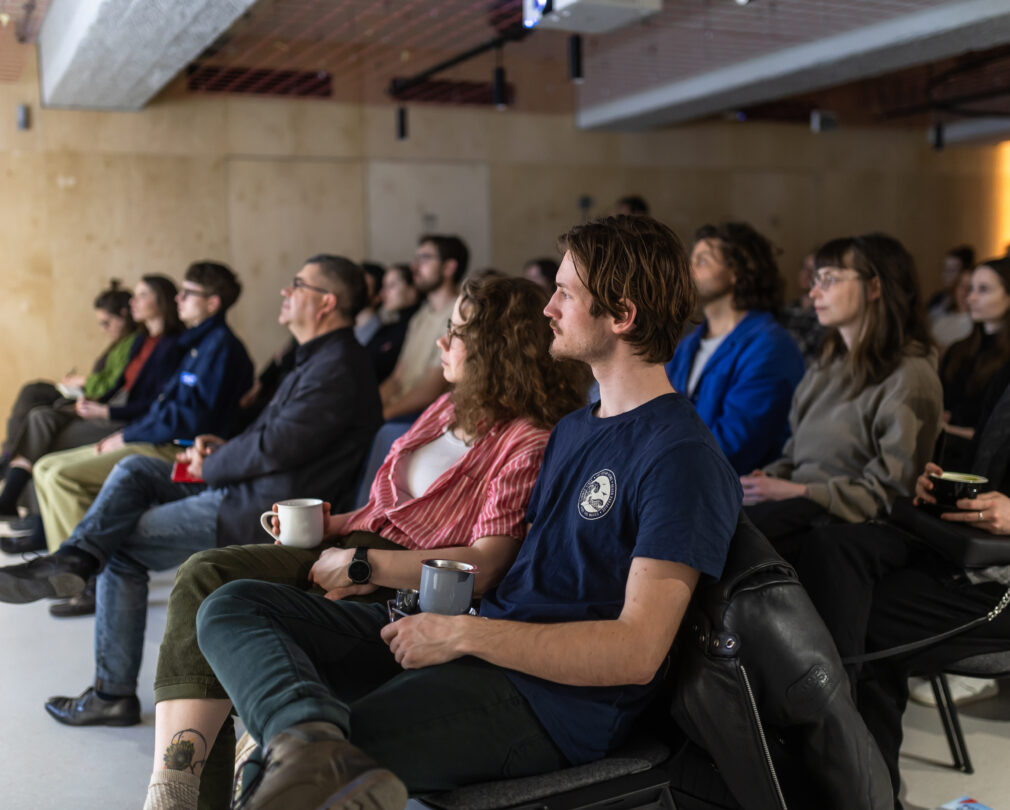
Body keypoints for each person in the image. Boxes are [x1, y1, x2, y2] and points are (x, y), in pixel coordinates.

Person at [193, 215, 742, 810]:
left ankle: (309, 748)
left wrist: (461, 632)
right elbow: (521, 570)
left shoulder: (680, 456)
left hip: (552, 705)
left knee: (300, 776)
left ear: (623, 315)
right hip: (484, 646)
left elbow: (635, 652)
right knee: (230, 605)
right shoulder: (577, 429)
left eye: (566, 293)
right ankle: (308, 736)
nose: (549, 308)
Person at [139, 272, 590, 810]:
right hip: (359, 543)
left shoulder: (526, 441)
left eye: (458, 333)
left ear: (499, 349)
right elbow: (389, 507)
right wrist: (334, 525)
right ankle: (183, 789)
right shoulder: (450, 407)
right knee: (203, 577)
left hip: (397, 577)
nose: (443, 343)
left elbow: (485, 566)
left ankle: (181, 794)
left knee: (213, 591)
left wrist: (360, 564)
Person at [0, 255, 383, 732]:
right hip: (252, 483)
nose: (285, 292)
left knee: (122, 548)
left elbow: (276, 446)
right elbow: (271, 435)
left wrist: (213, 463)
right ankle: (74, 559)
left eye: (297, 285)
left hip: (262, 506)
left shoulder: (337, 365)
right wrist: (220, 450)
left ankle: (111, 691)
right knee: (136, 467)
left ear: (326, 302)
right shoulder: (320, 356)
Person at [784, 360, 1010, 809]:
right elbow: (984, 469)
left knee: (862, 620)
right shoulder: (1002, 376)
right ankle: (849, 774)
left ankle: (846, 775)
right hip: (968, 549)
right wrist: (942, 480)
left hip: (998, 580)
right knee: (830, 551)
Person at [27, 261, 254, 552]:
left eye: (188, 293)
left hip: (176, 448)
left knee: (61, 477)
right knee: (45, 467)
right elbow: (163, 406)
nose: (178, 298)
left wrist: (127, 435)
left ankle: (83, 574)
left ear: (212, 303)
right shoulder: (199, 343)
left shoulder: (220, 347)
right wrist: (127, 433)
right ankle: (65, 568)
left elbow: (190, 420)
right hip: (155, 437)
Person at [740, 233, 942, 545]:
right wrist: (765, 481)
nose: (814, 291)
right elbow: (797, 454)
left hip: (851, 523)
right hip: (803, 507)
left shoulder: (909, 374)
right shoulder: (828, 364)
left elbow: (892, 491)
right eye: (815, 279)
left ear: (875, 287)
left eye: (829, 279)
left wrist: (799, 491)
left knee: (731, 538)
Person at [0, 276, 185, 553]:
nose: (133, 301)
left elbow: (151, 404)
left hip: (129, 419)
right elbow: (118, 385)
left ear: (162, 300)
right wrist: (95, 403)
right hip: (114, 407)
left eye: (141, 295)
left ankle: (31, 511)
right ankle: (14, 488)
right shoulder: (142, 341)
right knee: (40, 415)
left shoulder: (172, 345)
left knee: (49, 442)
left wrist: (105, 408)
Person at [666, 222, 805, 473]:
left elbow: (734, 446)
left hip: (740, 496)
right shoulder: (688, 345)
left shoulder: (770, 347)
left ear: (736, 272)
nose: (689, 269)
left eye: (703, 261)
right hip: (685, 478)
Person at [0, 280, 137, 480]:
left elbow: (111, 384)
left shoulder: (133, 343)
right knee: (34, 391)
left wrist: (82, 382)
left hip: (98, 401)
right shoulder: (120, 344)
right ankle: (9, 455)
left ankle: (9, 458)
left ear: (124, 314)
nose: (103, 330)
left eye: (106, 323)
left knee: (37, 404)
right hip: (91, 394)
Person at [380, 235, 468, 421]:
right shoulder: (421, 316)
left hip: (429, 416)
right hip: (401, 409)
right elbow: (397, 378)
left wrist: (383, 415)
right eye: (416, 259)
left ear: (448, 267)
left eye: (425, 258)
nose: (414, 267)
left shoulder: (462, 313)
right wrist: (369, 407)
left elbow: (431, 391)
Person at [938, 256, 1010, 470]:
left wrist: (947, 429)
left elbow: (995, 432)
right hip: (944, 457)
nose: (972, 298)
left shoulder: (1006, 363)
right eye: (971, 289)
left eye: (984, 290)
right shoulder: (959, 349)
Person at [363, 264, 419, 384]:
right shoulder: (390, 327)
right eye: (384, 287)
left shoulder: (417, 326)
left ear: (412, 288)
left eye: (391, 286)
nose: (383, 293)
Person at [777, 250, 827, 364]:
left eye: (813, 270)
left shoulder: (825, 314)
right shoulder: (785, 309)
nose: (806, 274)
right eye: (804, 268)